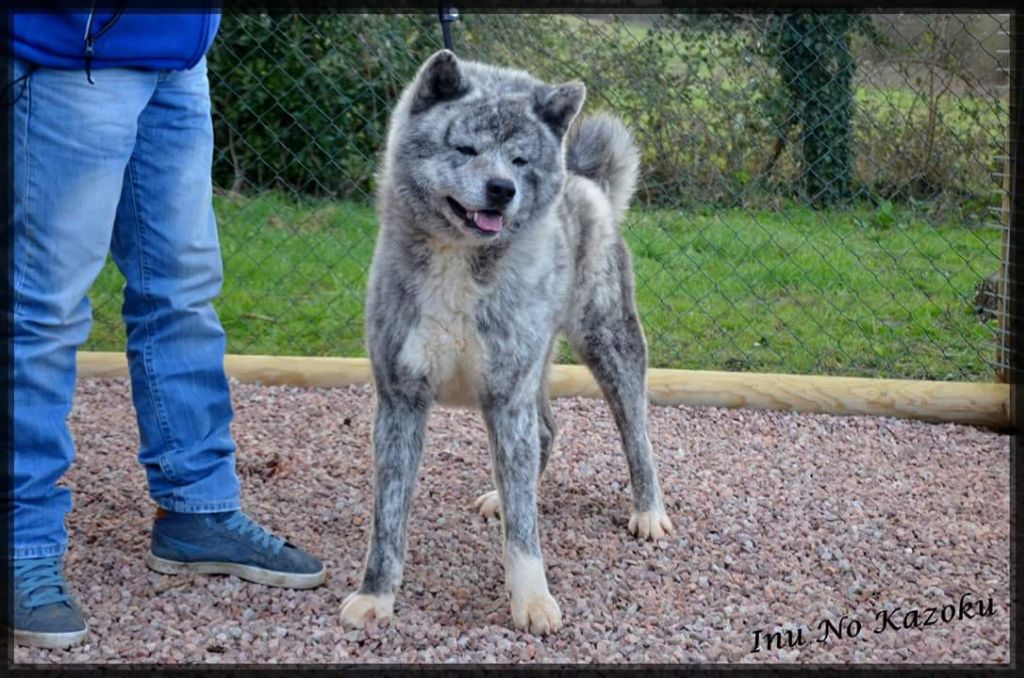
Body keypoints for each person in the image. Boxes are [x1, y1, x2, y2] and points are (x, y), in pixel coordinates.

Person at [7, 8, 326, 649]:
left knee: (183, 293)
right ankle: (21, 541)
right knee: (45, 308)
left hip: (178, 56)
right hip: (74, 53)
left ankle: (197, 510)